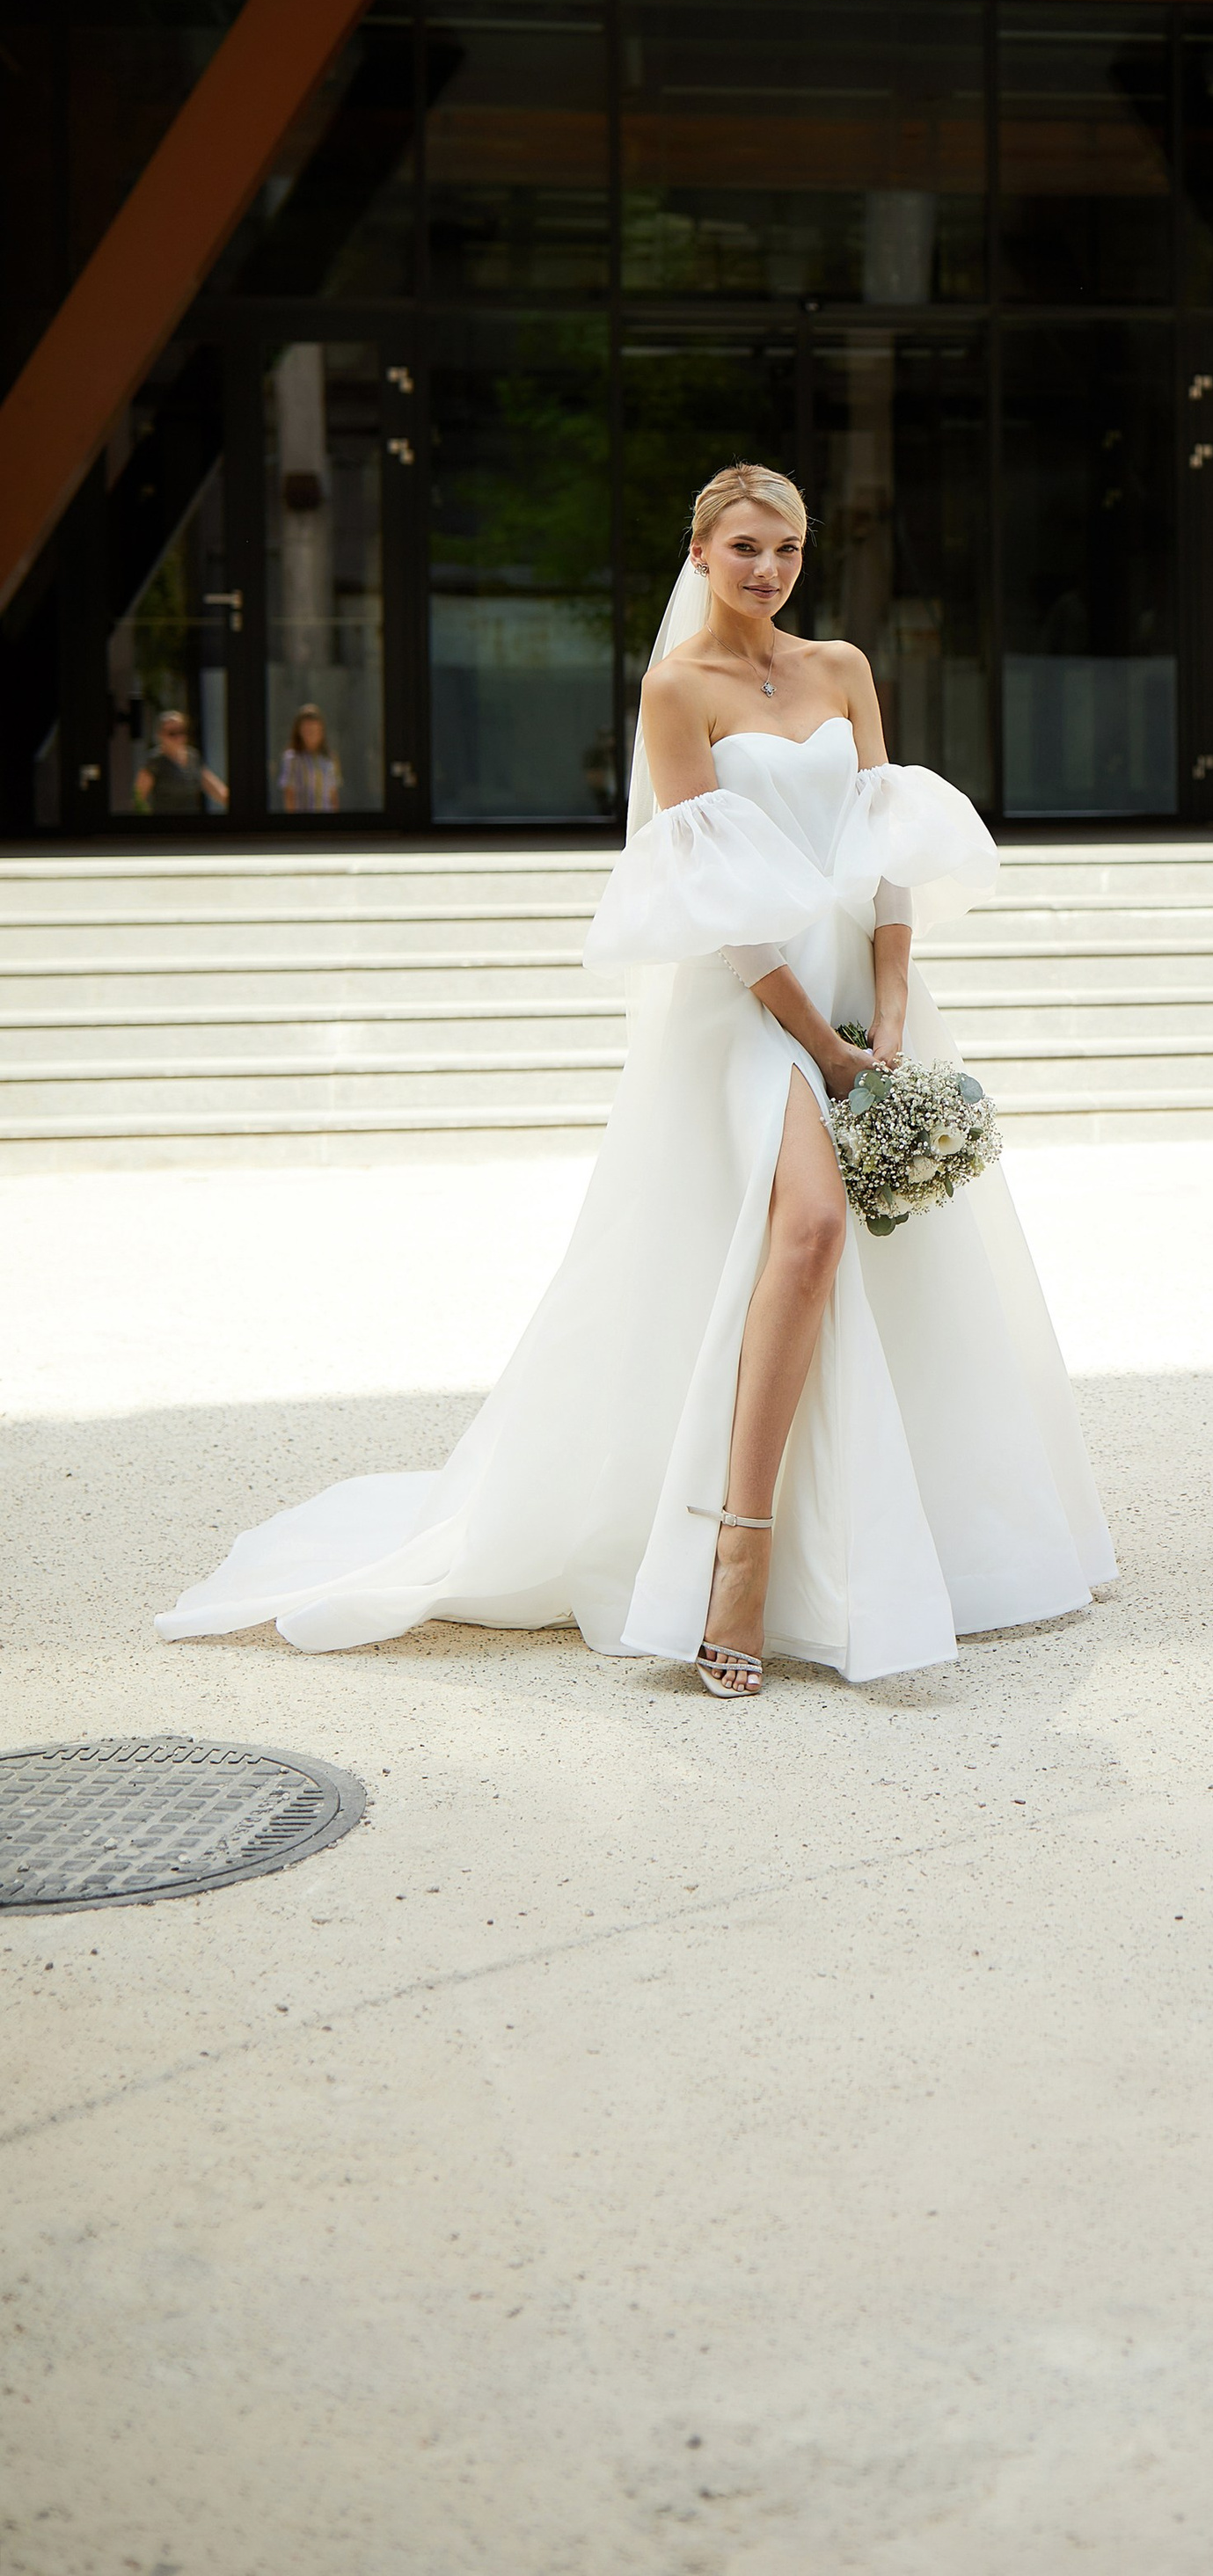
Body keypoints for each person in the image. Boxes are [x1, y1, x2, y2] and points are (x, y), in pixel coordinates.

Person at [161, 460, 1114, 1692]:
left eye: (785, 550)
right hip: (753, 1007)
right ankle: (739, 1554)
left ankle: (891, 1538)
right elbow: (719, 903)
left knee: (893, 1263)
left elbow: (889, 858)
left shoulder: (842, 670)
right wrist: (821, 1049)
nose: (766, 570)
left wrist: (883, 1018)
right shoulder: (678, 688)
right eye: (744, 549)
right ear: (701, 556)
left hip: (862, 1005)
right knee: (815, 1229)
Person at [133, 707, 227, 815]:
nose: (178, 737)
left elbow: (215, 789)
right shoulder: (154, 762)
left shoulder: (193, 757)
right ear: (160, 735)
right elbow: (138, 799)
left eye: (182, 732)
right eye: (172, 733)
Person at [274, 704, 340, 814]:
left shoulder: (330, 758)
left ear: (321, 731)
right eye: (307, 730)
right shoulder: (291, 759)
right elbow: (289, 795)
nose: (311, 735)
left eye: (314, 730)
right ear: (299, 731)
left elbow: (333, 795)